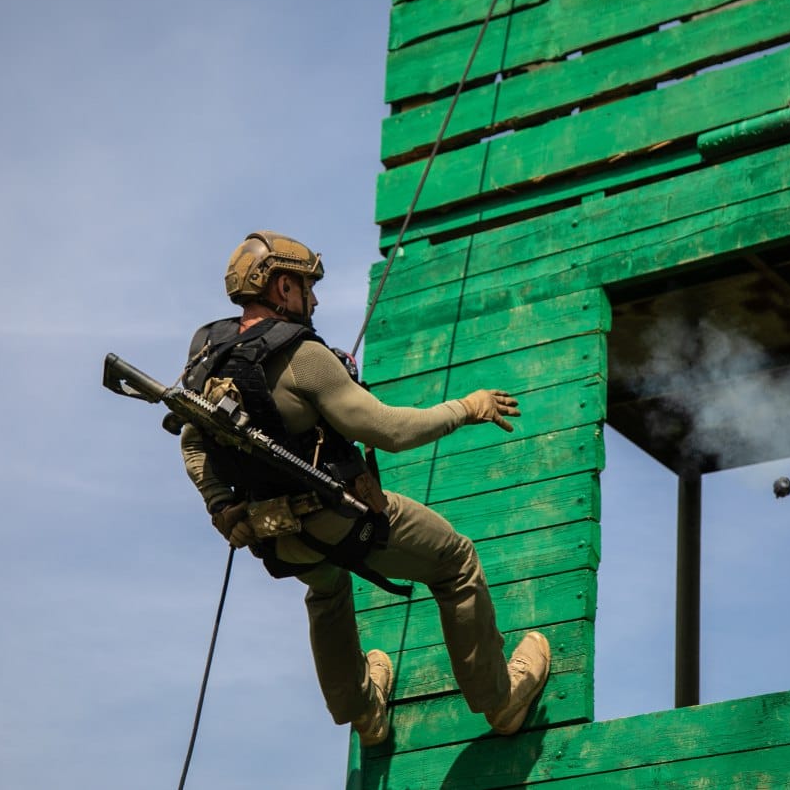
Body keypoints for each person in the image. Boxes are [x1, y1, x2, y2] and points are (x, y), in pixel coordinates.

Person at [178, 230, 550, 746]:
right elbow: (389, 431)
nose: (315, 301)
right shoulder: (302, 356)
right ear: (283, 287)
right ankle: (499, 700)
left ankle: (365, 715)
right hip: (338, 516)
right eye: (308, 287)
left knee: (326, 588)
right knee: (455, 561)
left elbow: (193, 442)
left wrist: (222, 506)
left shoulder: (208, 354)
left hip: (274, 534)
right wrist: (467, 407)